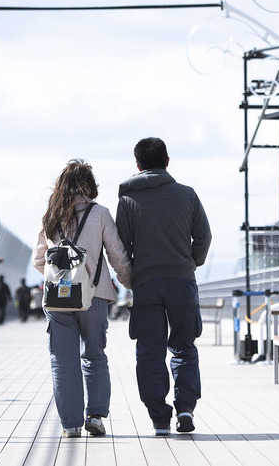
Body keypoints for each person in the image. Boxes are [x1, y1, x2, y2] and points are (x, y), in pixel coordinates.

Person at [116, 138, 211, 436]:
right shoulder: (187, 195)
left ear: (138, 165)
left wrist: (134, 277)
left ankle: (159, 417)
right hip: (182, 281)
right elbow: (204, 238)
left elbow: (121, 247)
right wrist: (189, 263)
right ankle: (185, 408)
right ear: (167, 161)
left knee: (149, 351)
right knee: (183, 345)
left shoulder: (129, 200)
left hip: (146, 283)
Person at [34, 159, 132, 438]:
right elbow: (118, 256)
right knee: (94, 356)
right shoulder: (99, 213)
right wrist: (130, 283)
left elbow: (38, 260)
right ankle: (96, 417)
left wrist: (61, 277)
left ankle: (71, 425)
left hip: (57, 299)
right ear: (89, 186)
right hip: (95, 296)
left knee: (63, 362)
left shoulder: (50, 216)